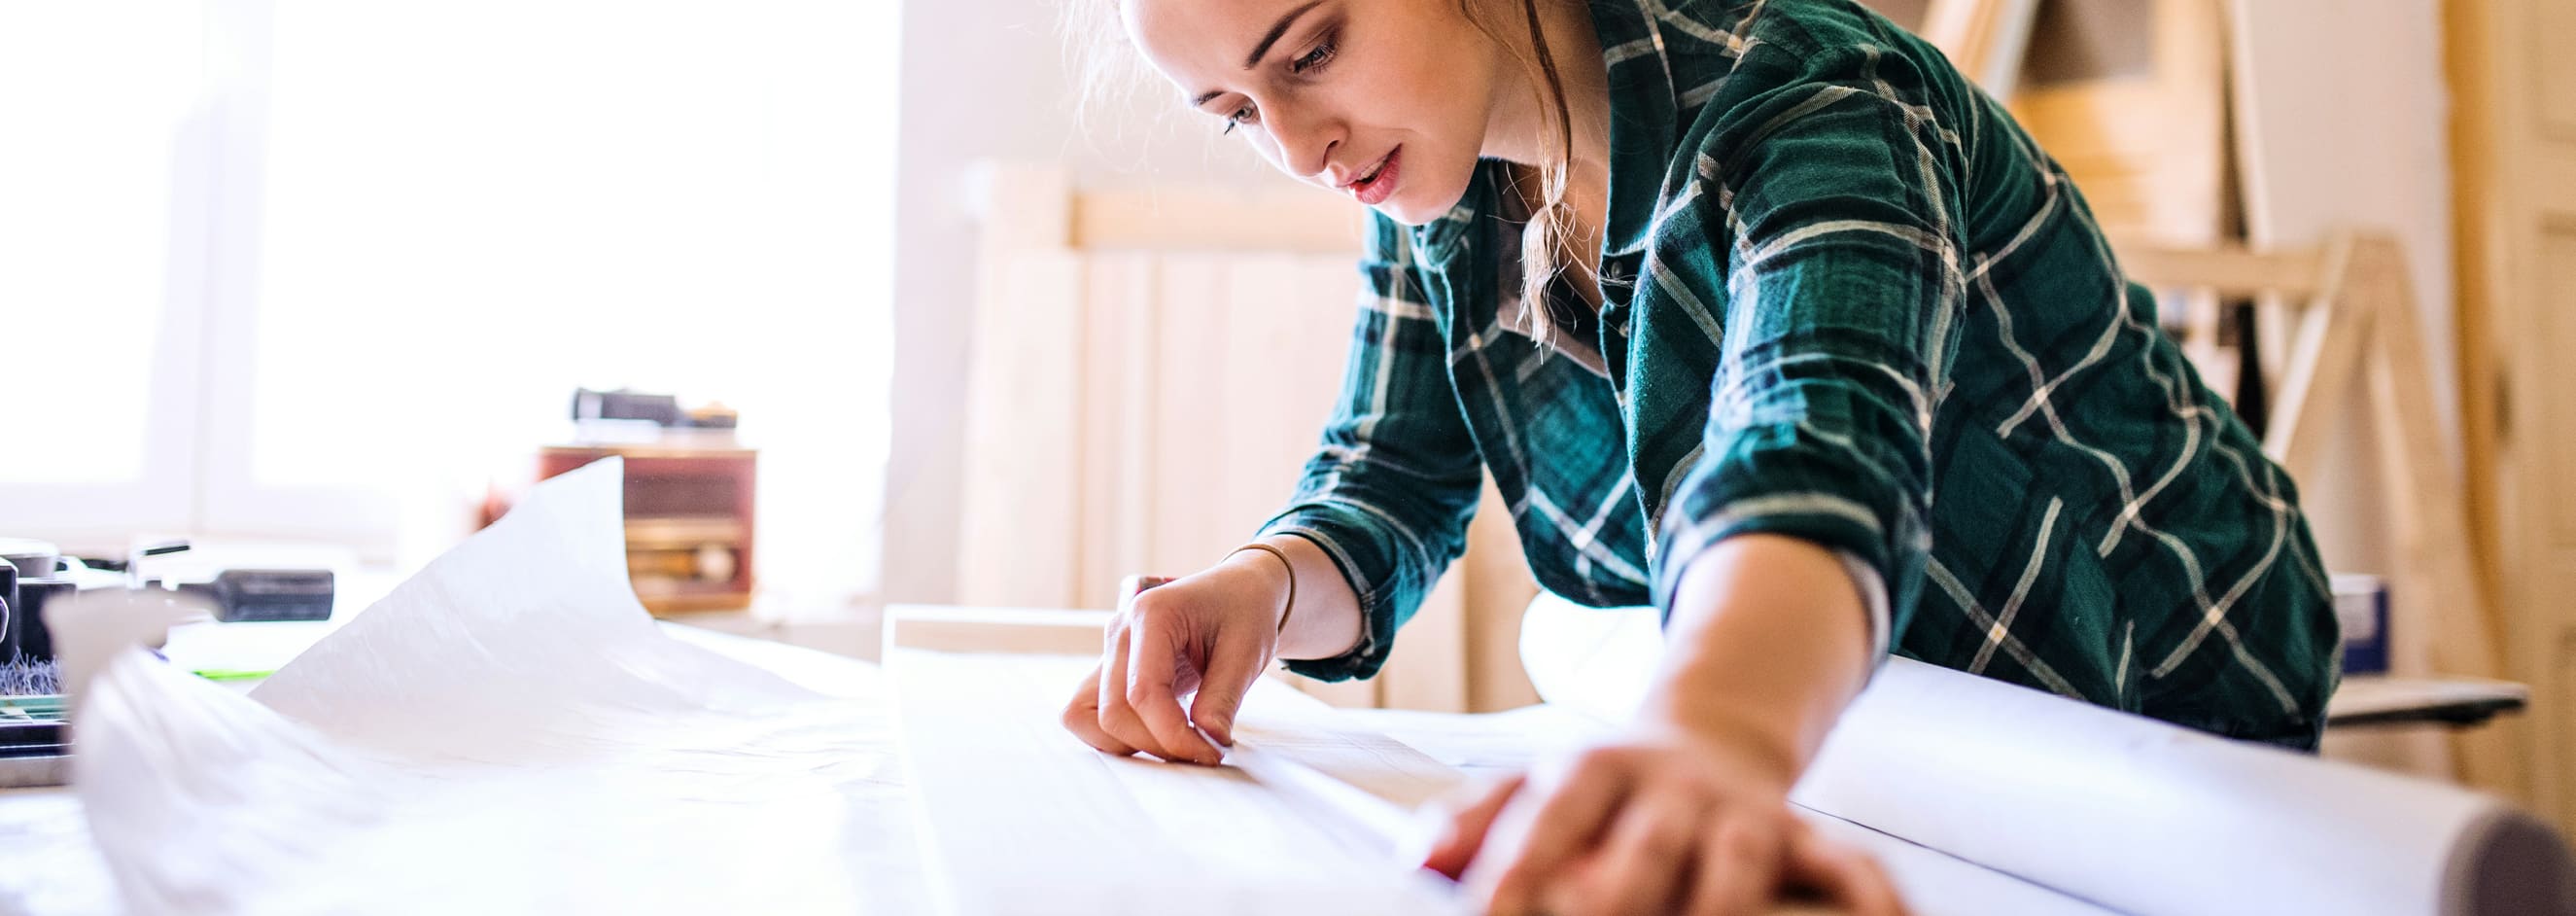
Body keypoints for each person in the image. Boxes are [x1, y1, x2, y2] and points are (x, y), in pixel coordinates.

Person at [1057, 0, 2340, 912]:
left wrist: (1709, 740)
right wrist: (1263, 587)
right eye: (1236, 111)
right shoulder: (1431, 177)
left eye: (1313, 49)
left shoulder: (1811, 97)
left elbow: (1818, 442)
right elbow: (1387, 477)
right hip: (1846, 723)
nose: (1296, 145)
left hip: (2155, 709)